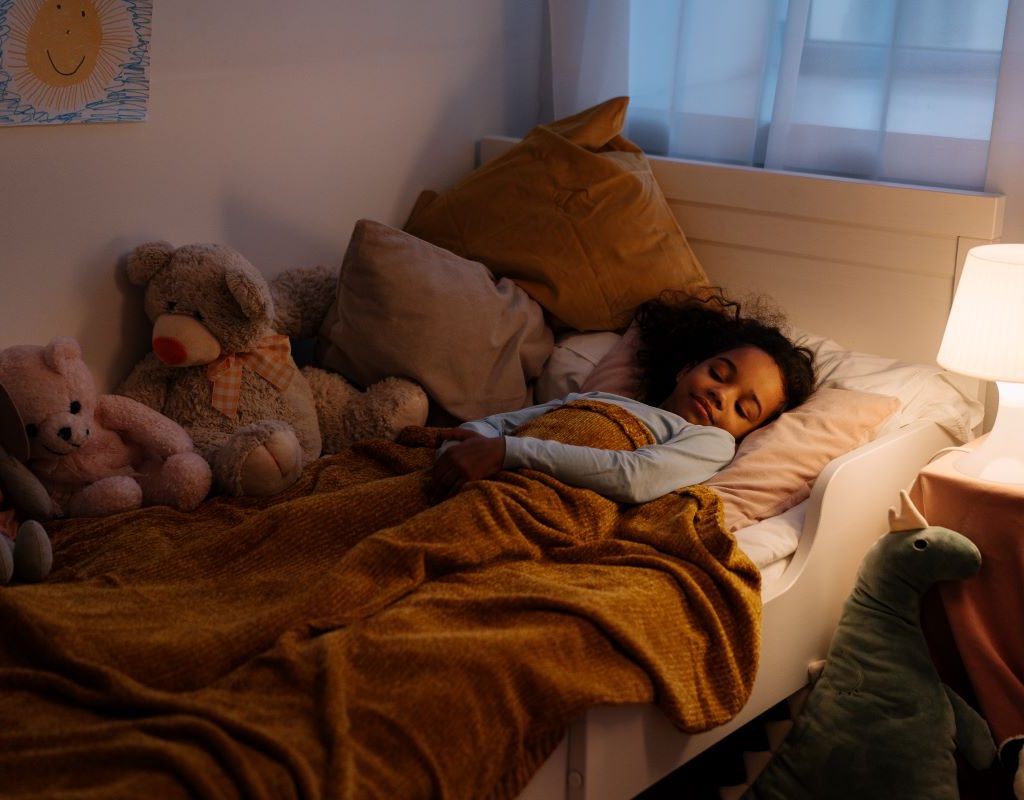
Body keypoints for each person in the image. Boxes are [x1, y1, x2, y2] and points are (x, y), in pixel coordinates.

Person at [430, 290, 816, 504]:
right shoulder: (600, 398)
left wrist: (507, 452)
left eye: (742, 408)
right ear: (686, 369)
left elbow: (635, 477)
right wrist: (466, 444)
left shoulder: (711, 442)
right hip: (479, 480)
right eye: (718, 374)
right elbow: (509, 422)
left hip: (531, 499)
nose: (720, 395)